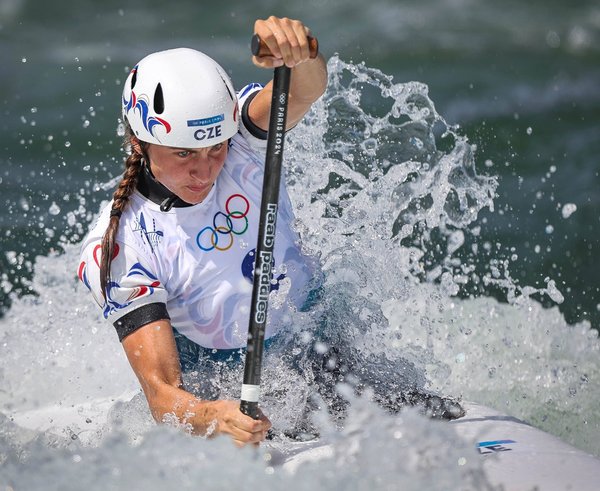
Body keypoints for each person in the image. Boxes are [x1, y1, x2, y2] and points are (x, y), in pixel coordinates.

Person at [78, 16, 328, 447]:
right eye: (183, 154)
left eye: (215, 147)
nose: (206, 169)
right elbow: (162, 397)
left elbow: (306, 87)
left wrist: (299, 52)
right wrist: (214, 415)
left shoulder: (243, 140)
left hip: (322, 345)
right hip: (224, 388)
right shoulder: (122, 244)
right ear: (139, 142)